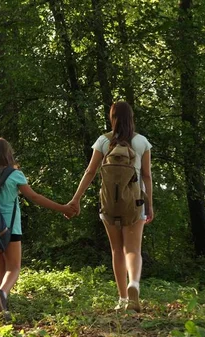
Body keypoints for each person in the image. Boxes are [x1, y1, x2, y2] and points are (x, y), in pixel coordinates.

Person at [68, 101, 153, 312]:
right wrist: (149, 205)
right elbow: (147, 176)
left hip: (109, 204)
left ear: (112, 117)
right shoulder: (142, 142)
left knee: (116, 250)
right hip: (135, 203)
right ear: (131, 117)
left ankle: (123, 298)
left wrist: (76, 198)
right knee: (133, 249)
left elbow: (90, 172)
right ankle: (134, 283)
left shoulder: (103, 142)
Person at [0, 137, 76, 313]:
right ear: (8, 153)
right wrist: (62, 208)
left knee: (0, 265)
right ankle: (2, 293)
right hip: (10, 228)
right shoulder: (15, 175)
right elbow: (35, 197)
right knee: (14, 267)